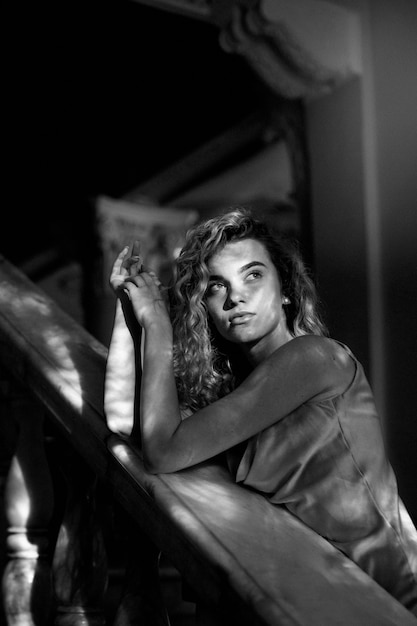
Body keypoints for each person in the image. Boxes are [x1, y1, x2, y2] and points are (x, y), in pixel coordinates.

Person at [104, 207, 417, 614]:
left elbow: (163, 451)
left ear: (285, 288)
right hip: (325, 593)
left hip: (393, 593)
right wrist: (132, 308)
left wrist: (159, 324)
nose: (236, 296)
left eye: (253, 275)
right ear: (205, 307)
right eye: (216, 286)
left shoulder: (314, 359)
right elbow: (123, 420)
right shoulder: (236, 392)